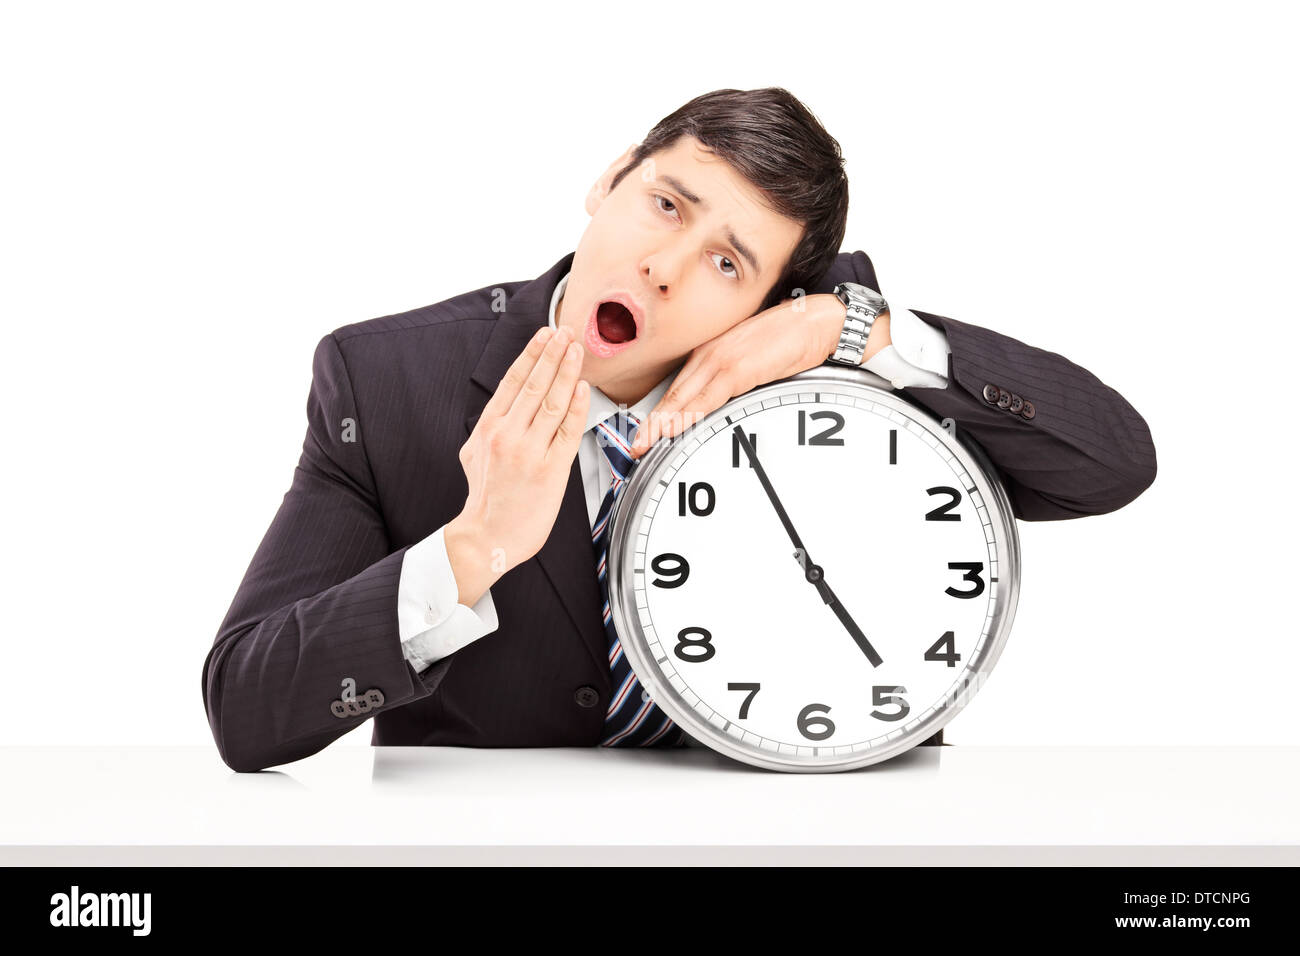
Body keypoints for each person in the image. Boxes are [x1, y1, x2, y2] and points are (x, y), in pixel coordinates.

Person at [203, 88, 1156, 772]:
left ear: (771, 303)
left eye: (728, 264)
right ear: (610, 179)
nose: (664, 267)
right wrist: (470, 548)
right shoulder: (384, 379)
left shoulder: (837, 364)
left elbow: (1113, 463)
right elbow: (244, 710)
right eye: (665, 204)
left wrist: (858, 330)